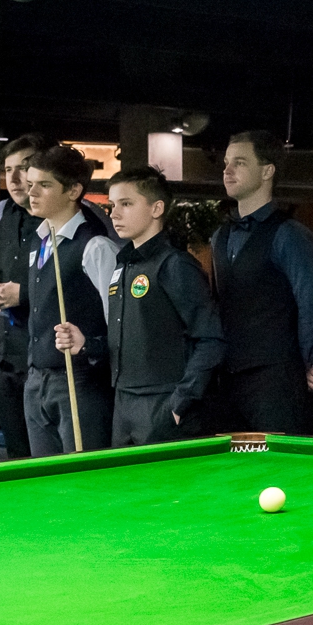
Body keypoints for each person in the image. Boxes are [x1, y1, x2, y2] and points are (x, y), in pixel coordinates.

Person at [211, 130, 313, 434]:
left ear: (267, 171)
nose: (227, 171)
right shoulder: (220, 236)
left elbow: (312, 306)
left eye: (239, 163)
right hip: (227, 376)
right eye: (225, 163)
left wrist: (305, 364)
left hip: (276, 379)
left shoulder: (290, 235)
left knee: (274, 462)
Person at [97, 168, 224, 447]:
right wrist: (86, 345)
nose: (114, 214)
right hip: (123, 400)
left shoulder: (175, 265)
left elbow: (211, 339)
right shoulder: (123, 265)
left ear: (156, 209)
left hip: (163, 400)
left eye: (126, 204)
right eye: (112, 205)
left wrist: (181, 401)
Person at [21, 144, 121, 455]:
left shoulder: (96, 247)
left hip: (80, 382)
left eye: (44, 184)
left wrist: (91, 345)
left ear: (74, 190)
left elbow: (120, 322)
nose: (31, 193)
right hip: (36, 380)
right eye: (30, 184)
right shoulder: (38, 242)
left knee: (84, 478)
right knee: (46, 478)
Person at [0, 133, 53, 457]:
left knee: (51, 464)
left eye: (24, 167)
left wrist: (23, 294)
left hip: (48, 363)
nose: (15, 178)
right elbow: (4, 271)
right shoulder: (4, 213)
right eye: (8, 170)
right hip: (7, 358)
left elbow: (82, 292)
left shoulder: (63, 219)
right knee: (16, 460)